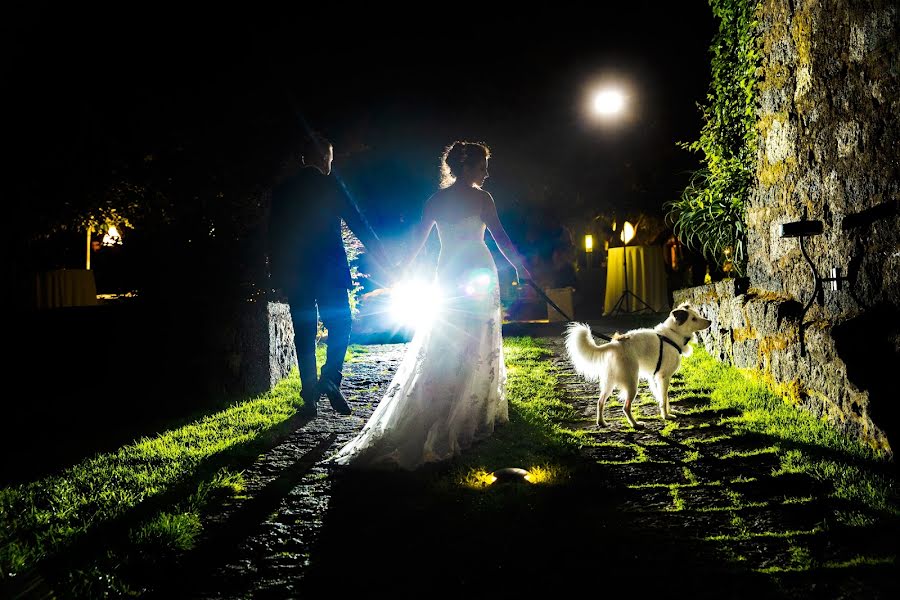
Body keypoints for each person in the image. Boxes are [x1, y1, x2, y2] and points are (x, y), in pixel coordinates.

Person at [331, 140, 532, 470]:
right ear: (466, 167)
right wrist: (521, 266)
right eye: (482, 165)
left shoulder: (436, 201)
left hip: (449, 273)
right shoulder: (482, 199)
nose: (486, 172)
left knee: (449, 340)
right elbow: (501, 238)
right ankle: (469, 408)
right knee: (473, 340)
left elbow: (416, 244)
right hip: (478, 272)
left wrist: (401, 269)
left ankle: (453, 401)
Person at [267, 132, 394, 418]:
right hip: (331, 272)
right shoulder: (332, 187)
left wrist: (277, 275)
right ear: (325, 159)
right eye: (329, 158)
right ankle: (330, 378)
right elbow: (359, 224)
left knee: (304, 332)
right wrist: (385, 257)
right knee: (341, 323)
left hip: (298, 274)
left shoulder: (284, 190)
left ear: (302, 158)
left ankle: (310, 394)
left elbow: (274, 237)